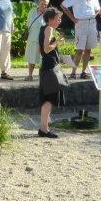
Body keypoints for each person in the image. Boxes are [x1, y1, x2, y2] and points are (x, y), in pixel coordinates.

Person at [62, 0, 101, 79]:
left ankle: (83, 72)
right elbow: (63, 5)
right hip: (81, 24)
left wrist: (94, 15)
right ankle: (73, 72)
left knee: (88, 49)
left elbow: (98, 9)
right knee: (79, 50)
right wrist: (72, 18)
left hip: (92, 24)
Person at [38, 8, 65, 138]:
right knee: (49, 99)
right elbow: (46, 49)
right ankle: (44, 129)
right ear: (50, 19)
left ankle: (45, 125)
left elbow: (40, 50)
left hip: (48, 66)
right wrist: (57, 42)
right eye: (57, 17)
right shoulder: (49, 29)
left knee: (48, 98)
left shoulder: (43, 29)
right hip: (49, 68)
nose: (60, 19)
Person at [24, 0, 49, 80]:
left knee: (43, 59)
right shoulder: (32, 11)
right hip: (32, 38)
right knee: (32, 57)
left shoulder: (48, 14)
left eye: (45, 4)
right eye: (42, 4)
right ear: (38, 3)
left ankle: (42, 76)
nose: (44, 6)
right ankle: (30, 75)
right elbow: (28, 24)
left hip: (43, 39)